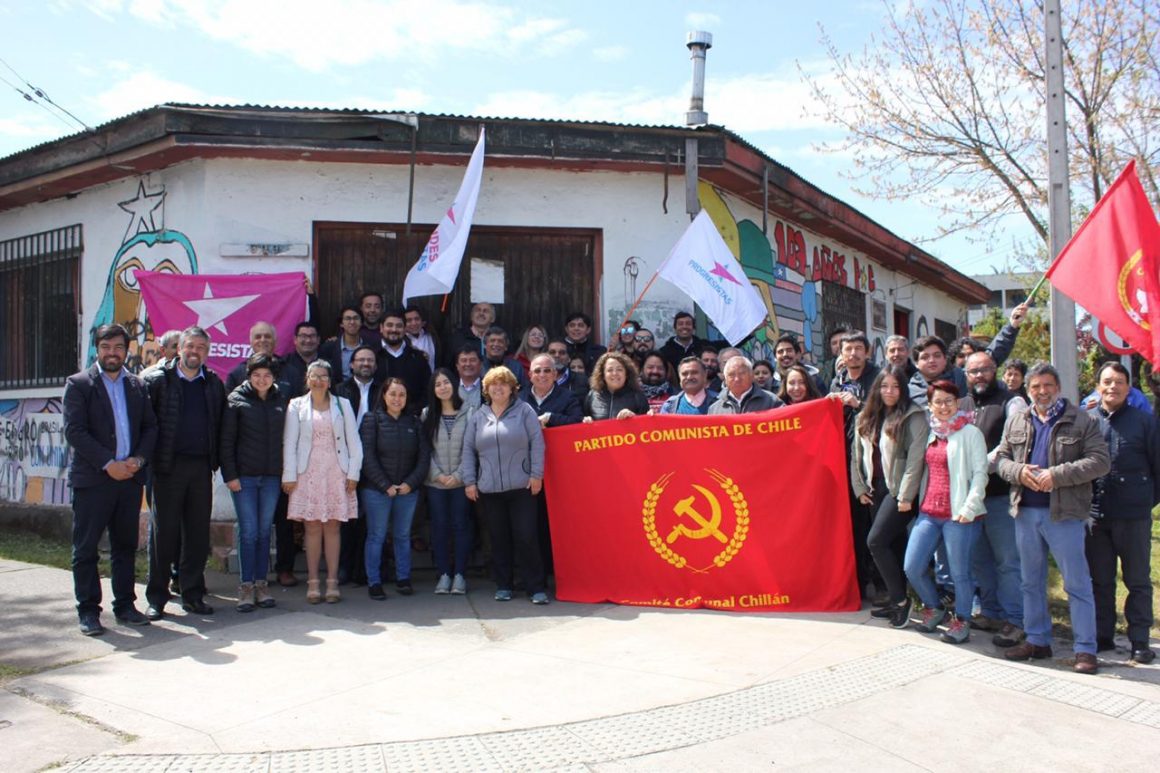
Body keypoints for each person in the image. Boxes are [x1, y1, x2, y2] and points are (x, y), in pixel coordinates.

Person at [995, 363, 1110, 674]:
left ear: (1057, 387)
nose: (1042, 391)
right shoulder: (1018, 419)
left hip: (1065, 514)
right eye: (1035, 387)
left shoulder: (1080, 419)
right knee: (1030, 581)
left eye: (1047, 385)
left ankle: (1085, 650)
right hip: (1025, 512)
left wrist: (1056, 476)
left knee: (1077, 583)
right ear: (1028, 389)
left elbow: (1100, 461)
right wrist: (1018, 471)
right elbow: (1001, 460)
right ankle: (1037, 640)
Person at [63, 324, 158, 635]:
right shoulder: (78, 385)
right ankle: (89, 611)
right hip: (93, 480)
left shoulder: (136, 385)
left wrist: (137, 460)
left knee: (125, 546)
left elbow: (149, 428)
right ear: (97, 349)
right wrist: (108, 463)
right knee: (86, 548)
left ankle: (125, 605)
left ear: (126, 349)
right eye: (106, 347)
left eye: (118, 346)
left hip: (129, 480)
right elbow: (75, 431)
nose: (112, 352)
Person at [142, 326, 226, 619]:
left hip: (201, 467)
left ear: (207, 352)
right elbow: (145, 425)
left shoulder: (213, 383)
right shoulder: (157, 380)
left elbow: (220, 425)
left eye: (201, 347)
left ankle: (192, 593)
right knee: (163, 535)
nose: (195, 352)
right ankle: (157, 597)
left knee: (197, 535)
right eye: (190, 346)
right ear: (179, 348)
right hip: (166, 467)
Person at [902, 380, 989, 644]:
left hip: (960, 514)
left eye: (948, 401)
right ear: (930, 406)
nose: (943, 406)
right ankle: (935, 606)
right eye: (937, 402)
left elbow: (980, 474)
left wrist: (969, 508)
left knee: (959, 572)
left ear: (958, 402)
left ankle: (961, 619)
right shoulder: (931, 433)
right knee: (912, 566)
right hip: (929, 512)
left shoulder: (970, 433)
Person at [1086, 361, 1158, 664]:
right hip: (1096, 516)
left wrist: (1143, 502)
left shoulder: (1145, 422)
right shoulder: (1087, 421)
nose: (1112, 387)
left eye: (1119, 382)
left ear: (1129, 388)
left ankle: (1139, 640)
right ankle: (1103, 634)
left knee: (1138, 580)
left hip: (1134, 516)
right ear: (1098, 386)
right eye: (1107, 381)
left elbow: (1158, 469)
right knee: (1100, 579)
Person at [460, 366, 548, 604]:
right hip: (489, 489)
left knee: (526, 536)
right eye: (493, 384)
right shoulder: (478, 416)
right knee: (498, 538)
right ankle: (504, 585)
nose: (498, 388)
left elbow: (537, 444)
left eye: (503, 383)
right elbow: (468, 450)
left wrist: (536, 474)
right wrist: (470, 481)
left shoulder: (525, 411)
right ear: (486, 389)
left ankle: (536, 587)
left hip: (522, 487)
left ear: (512, 388)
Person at [959, 351, 1027, 646]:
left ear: (994, 369)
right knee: (979, 561)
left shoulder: (1012, 401)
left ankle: (1016, 620)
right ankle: (990, 611)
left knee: (1008, 562)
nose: (978, 376)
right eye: (973, 371)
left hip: (999, 495)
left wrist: (979, 467)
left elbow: (1010, 443)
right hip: (971, 499)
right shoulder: (962, 404)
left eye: (984, 370)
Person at [282, 360, 362, 604]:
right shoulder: (296, 405)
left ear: (330, 380)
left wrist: (353, 473)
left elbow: (354, 442)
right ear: (307, 379)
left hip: (337, 470)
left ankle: (333, 582)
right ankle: (314, 581)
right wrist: (290, 475)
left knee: (334, 528)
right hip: (308, 473)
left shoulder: (343, 404)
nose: (318, 381)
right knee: (312, 527)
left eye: (323, 376)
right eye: (313, 376)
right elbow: (290, 442)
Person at [853, 366, 927, 628]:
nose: (890, 392)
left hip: (898, 490)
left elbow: (915, 460)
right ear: (877, 388)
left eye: (895, 387)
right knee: (893, 544)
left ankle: (900, 601)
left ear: (903, 389)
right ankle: (900, 598)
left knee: (875, 542)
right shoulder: (866, 416)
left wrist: (906, 496)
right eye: (885, 386)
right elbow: (856, 456)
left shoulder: (912, 416)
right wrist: (860, 488)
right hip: (874, 490)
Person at [219, 353, 286, 612]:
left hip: (271, 476)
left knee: (263, 531)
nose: (262, 380)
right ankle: (246, 586)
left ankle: (262, 584)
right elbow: (226, 442)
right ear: (248, 375)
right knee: (248, 532)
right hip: (244, 477)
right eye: (257, 375)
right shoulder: (235, 400)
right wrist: (230, 476)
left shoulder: (281, 399)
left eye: (267, 375)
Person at [359, 378, 431, 600]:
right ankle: (374, 582)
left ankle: (403, 578)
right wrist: (385, 485)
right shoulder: (371, 420)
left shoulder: (414, 422)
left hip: (407, 491)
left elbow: (424, 457)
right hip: (377, 491)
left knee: (402, 535)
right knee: (376, 536)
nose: (397, 399)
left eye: (402, 394)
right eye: (393, 394)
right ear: (383, 395)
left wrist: (411, 483)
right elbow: (367, 457)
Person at [423, 368, 475, 595]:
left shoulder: (471, 413)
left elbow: (472, 449)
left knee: (461, 526)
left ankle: (460, 575)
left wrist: (459, 475)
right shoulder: (427, 415)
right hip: (436, 484)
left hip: (461, 482)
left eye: (446, 382)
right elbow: (425, 450)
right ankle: (444, 574)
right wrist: (439, 475)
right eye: (437, 384)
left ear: (454, 384)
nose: (442, 387)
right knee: (439, 528)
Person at [333, 345, 381, 586]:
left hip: (376, 460)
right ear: (351, 364)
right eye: (360, 360)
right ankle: (344, 567)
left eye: (370, 360)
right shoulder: (339, 391)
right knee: (347, 517)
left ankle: (366, 569)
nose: (365, 364)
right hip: (347, 459)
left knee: (369, 518)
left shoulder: (384, 389)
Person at [375, 308, 430, 413]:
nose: (394, 329)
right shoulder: (372, 356)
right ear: (381, 328)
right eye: (389, 325)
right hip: (379, 419)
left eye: (399, 326)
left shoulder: (418, 358)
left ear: (405, 329)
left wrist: (412, 411)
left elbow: (427, 391)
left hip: (411, 419)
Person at [521, 354, 583, 428]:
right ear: (530, 375)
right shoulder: (520, 398)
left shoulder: (569, 397)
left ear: (554, 375)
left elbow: (578, 422)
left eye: (547, 370)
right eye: (537, 371)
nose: (542, 375)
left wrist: (551, 418)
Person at [583, 351, 649, 421]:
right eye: (610, 370)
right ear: (602, 375)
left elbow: (647, 427)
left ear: (626, 374)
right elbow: (583, 421)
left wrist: (634, 418)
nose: (614, 373)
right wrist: (586, 421)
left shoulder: (638, 396)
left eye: (619, 370)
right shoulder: (592, 396)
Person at [708, 356, 783, 414]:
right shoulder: (714, 409)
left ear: (752, 375)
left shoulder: (771, 401)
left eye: (742, 373)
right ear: (725, 379)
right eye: (731, 375)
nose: (737, 379)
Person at [225, 321, 280, 393]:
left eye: (267, 336)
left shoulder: (290, 372)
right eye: (258, 337)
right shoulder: (237, 373)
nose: (262, 340)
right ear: (251, 342)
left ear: (275, 341)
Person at [281, 321, 325, 400]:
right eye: (303, 336)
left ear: (318, 340)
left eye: (312, 336)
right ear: (295, 339)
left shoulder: (327, 365)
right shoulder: (284, 364)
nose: (308, 340)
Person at [319, 307, 364, 380]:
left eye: (356, 318)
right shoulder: (328, 348)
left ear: (361, 322)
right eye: (348, 319)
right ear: (341, 324)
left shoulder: (370, 347)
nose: (352, 322)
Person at [659, 311, 705, 375]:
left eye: (688, 324)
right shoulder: (664, 352)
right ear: (675, 328)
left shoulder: (703, 347)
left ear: (693, 328)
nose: (684, 327)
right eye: (680, 324)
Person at [404, 305, 439, 373]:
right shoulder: (401, 341)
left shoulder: (432, 337)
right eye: (409, 320)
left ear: (422, 321)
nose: (414, 323)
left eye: (417, 319)